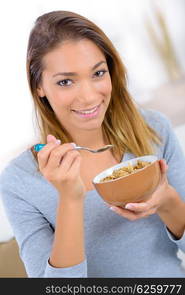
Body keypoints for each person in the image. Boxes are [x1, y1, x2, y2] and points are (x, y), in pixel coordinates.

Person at [0, 10, 185, 278]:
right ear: (39, 85)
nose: (88, 97)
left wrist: (165, 200)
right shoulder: (19, 182)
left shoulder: (153, 130)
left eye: (98, 73)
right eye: (65, 81)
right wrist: (70, 198)